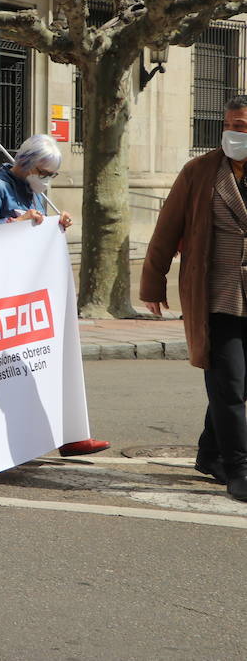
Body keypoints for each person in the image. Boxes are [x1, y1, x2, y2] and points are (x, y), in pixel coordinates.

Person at [0, 134, 109, 458]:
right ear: (26, 165)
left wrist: (56, 226)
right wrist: (14, 222)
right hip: (1, 297)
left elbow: (35, 233)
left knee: (45, 367)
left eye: (51, 175)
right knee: (4, 378)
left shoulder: (32, 192)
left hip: (26, 296)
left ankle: (66, 433)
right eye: (44, 173)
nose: (46, 180)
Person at [142, 96, 247, 501]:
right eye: (235, 125)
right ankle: (239, 468)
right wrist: (153, 285)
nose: (240, 134)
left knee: (234, 386)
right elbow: (166, 229)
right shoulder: (199, 172)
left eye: (246, 127)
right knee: (229, 382)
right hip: (213, 296)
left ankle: (209, 452)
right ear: (223, 126)